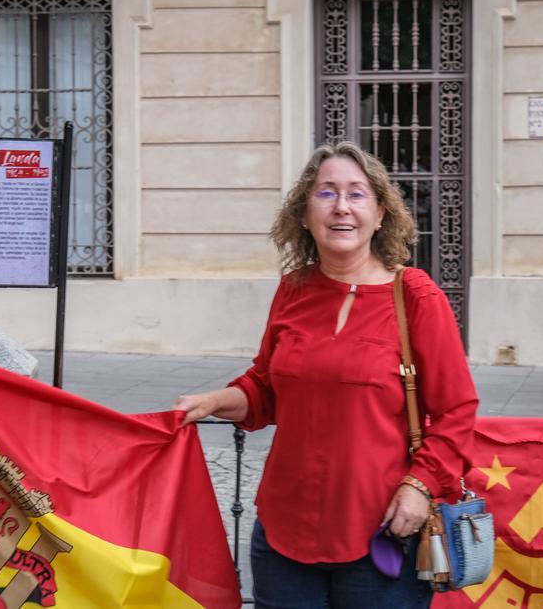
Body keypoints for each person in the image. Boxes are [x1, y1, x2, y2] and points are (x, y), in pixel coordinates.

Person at [174, 141, 478, 608]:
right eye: (326, 193)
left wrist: (420, 486)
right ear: (303, 213)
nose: (341, 207)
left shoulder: (416, 296)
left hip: (382, 532)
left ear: (380, 214)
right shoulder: (293, 291)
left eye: (357, 194)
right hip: (283, 531)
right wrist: (216, 401)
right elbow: (266, 388)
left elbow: (456, 410)